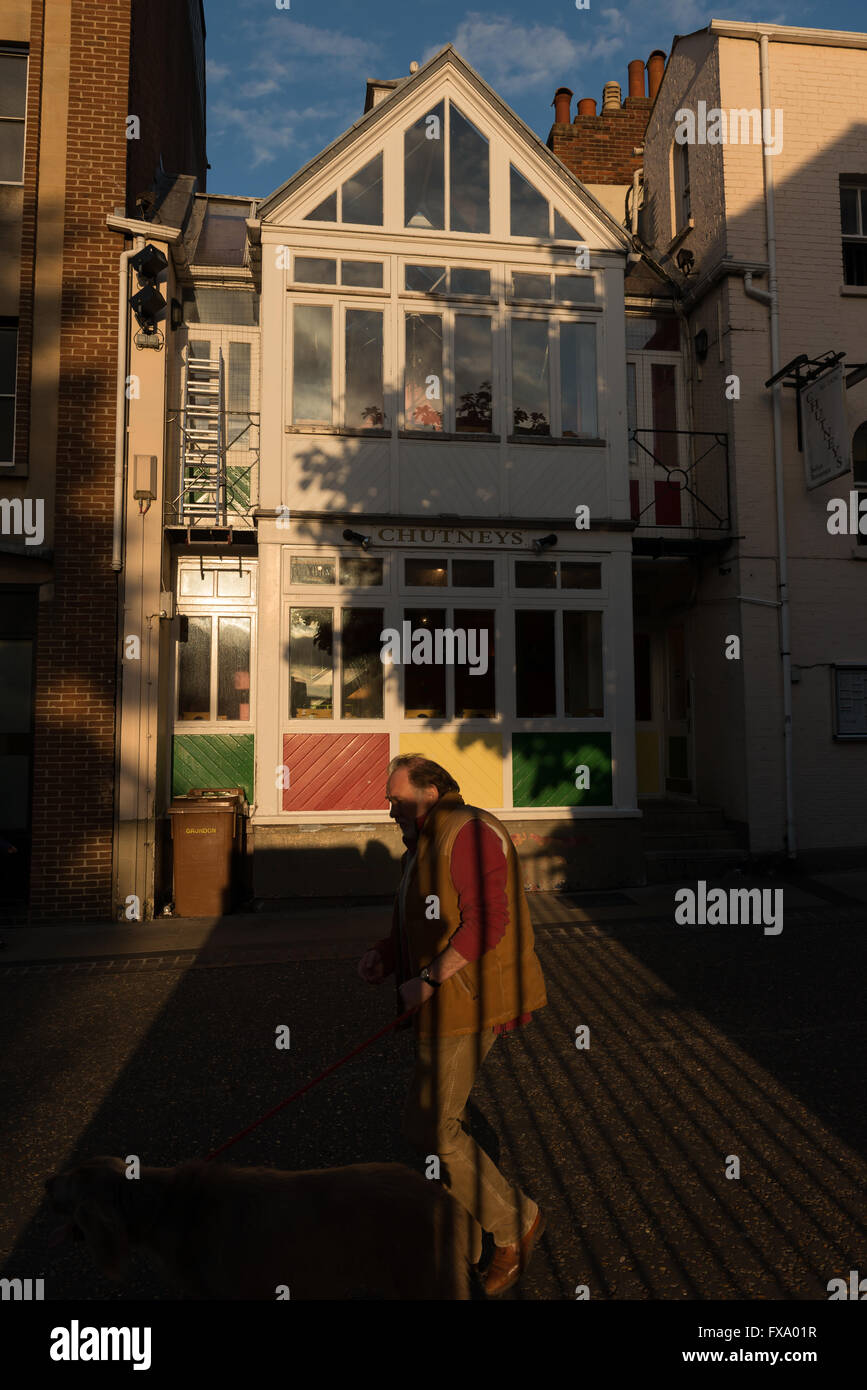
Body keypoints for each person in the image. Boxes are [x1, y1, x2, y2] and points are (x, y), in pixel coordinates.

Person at [358, 754, 548, 1296]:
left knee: (437, 1126)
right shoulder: (423, 844)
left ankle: (515, 1225)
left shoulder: (468, 831)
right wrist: (386, 955)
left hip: (468, 997)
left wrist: (430, 979)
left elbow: (488, 919)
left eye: (397, 798)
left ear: (432, 792)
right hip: (445, 997)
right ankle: (463, 1238)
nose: (388, 806)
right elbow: (420, 920)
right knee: (424, 1126)